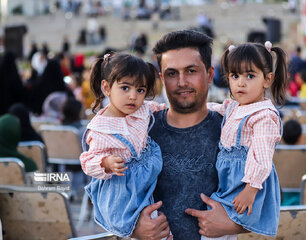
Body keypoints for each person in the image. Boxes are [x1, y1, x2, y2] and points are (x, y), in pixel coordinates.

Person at [132, 30, 248, 240]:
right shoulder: (139, 132)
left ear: (210, 74)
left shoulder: (237, 132)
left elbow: (268, 204)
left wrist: (232, 225)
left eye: (191, 71)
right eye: (172, 73)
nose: (182, 82)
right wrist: (132, 227)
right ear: (161, 78)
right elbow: (104, 199)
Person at [79, 52, 167, 238]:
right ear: (107, 88)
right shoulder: (100, 128)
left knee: (158, 223)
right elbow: (87, 161)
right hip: (122, 187)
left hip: (147, 179)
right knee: (132, 225)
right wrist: (106, 163)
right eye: (125, 88)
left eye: (140, 90)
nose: (133, 96)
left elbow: (163, 110)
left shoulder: (143, 110)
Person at [204, 41, 286, 239]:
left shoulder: (264, 115)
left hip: (246, 182)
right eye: (235, 76)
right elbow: (214, 109)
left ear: (267, 80)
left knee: (223, 225)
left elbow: (261, 154)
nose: (241, 82)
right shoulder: (234, 106)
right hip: (229, 180)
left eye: (250, 76)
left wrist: (251, 188)